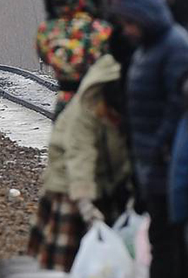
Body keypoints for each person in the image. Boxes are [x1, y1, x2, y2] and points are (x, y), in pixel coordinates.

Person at [110, 0, 188, 278]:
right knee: (161, 242)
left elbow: (179, 106)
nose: (127, 30)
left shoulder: (174, 47)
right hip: (153, 165)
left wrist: (160, 147)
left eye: (130, 22)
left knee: (169, 246)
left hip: (167, 165)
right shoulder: (148, 48)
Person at [32, 25, 135, 273]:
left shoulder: (128, 94)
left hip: (109, 179)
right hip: (68, 178)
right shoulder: (88, 107)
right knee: (67, 256)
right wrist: (86, 205)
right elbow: (80, 155)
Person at [35, 0, 112, 118]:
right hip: (96, 102)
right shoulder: (102, 30)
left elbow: (45, 56)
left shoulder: (47, 31)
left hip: (65, 103)